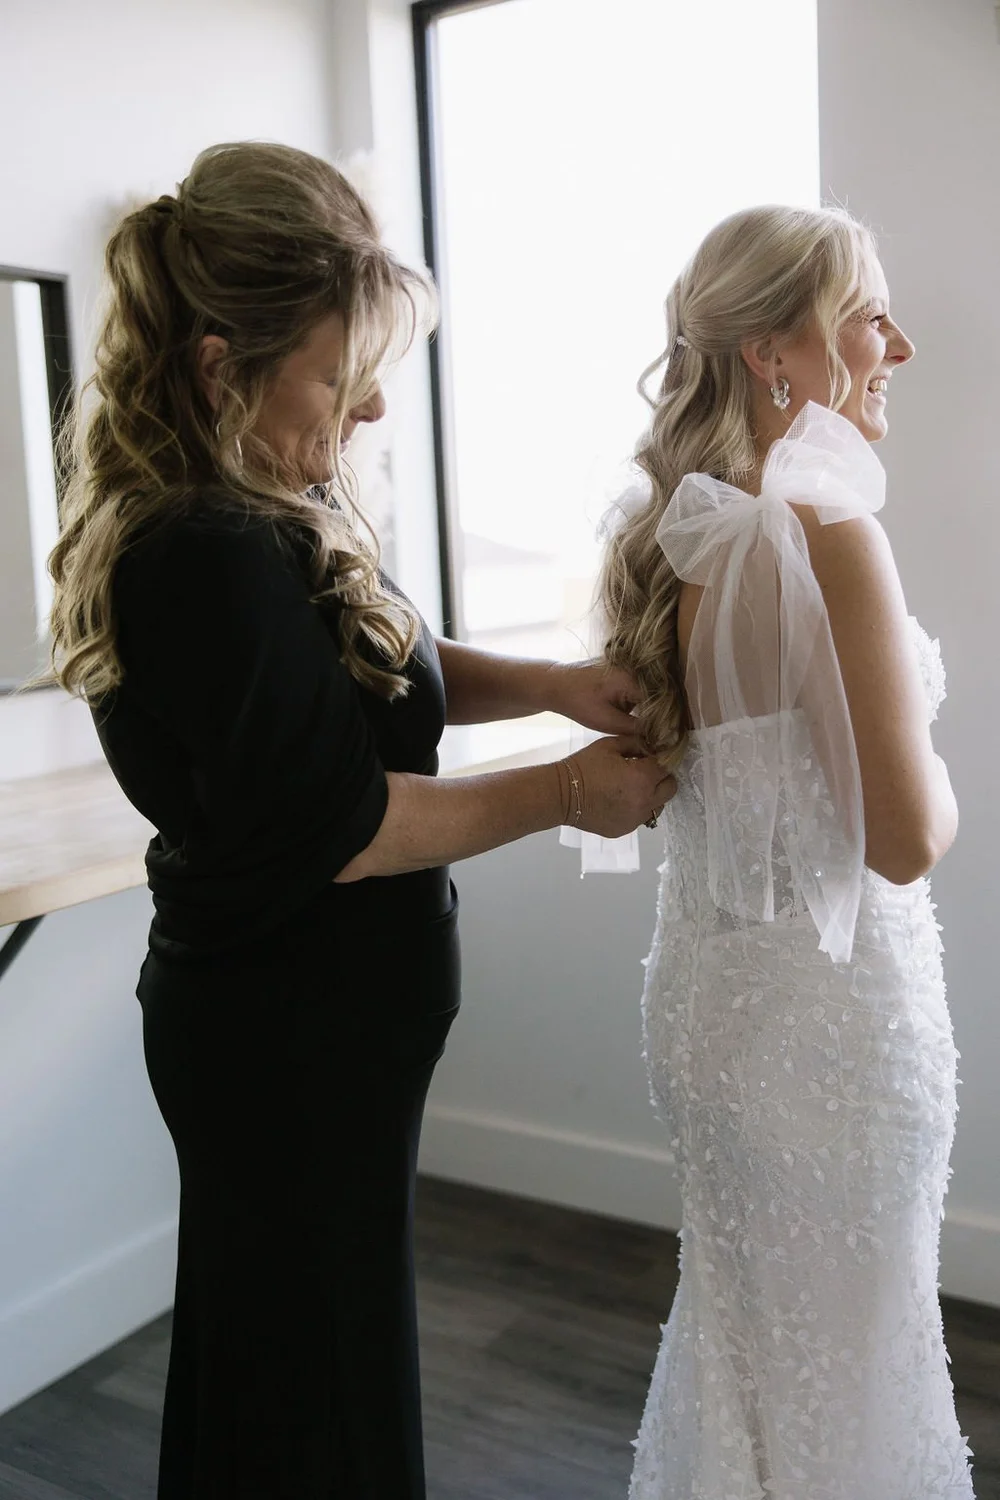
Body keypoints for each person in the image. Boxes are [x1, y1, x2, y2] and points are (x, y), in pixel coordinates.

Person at [45, 141, 673, 1500]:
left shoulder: (264, 499)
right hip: (284, 1041)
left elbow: (376, 659)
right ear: (222, 365)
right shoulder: (197, 552)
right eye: (343, 371)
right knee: (309, 1386)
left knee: (286, 1361)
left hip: (318, 1029)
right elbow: (341, 823)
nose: (376, 406)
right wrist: (574, 789)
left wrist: (558, 684)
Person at [598, 205, 974, 1498]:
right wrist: (947, 784)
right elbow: (907, 839)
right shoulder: (824, 532)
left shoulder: (687, 539)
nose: (900, 344)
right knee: (853, 1360)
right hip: (832, 1027)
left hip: (717, 1006)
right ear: (776, 352)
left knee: (752, 1343)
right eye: (871, 311)